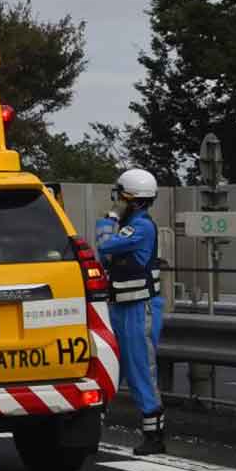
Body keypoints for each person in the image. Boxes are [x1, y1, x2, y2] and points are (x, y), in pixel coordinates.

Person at [95, 168, 165, 455]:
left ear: (132, 200)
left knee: (140, 371)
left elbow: (104, 244)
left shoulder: (142, 227)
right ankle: (89, 428)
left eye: (120, 197)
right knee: (110, 368)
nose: (116, 202)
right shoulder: (133, 224)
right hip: (121, 306)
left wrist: (109, 218)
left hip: (138, 308)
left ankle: (155, 435)